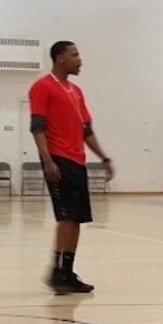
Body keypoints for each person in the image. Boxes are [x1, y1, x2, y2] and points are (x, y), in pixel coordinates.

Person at [29, 41, 114, 295]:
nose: (80, 60)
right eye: (75, 55)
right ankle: (56, 272)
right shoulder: (42, 87)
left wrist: (104, 158)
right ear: (60, 58)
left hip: (78, 161)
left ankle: (68, 271)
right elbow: (37, 127)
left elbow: (86, 131)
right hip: (59, 159)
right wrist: (47, 161)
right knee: (66, 217)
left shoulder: (76, 92)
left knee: (77, 219)